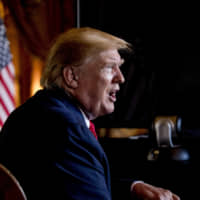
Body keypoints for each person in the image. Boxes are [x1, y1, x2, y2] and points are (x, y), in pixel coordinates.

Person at [0, 27, 180, 200]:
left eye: (120, 67)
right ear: (71, 76)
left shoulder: (41, 110)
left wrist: (132, 187)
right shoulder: (67, 129)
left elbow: (65, 185)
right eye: (110, 67)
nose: (121, 77)